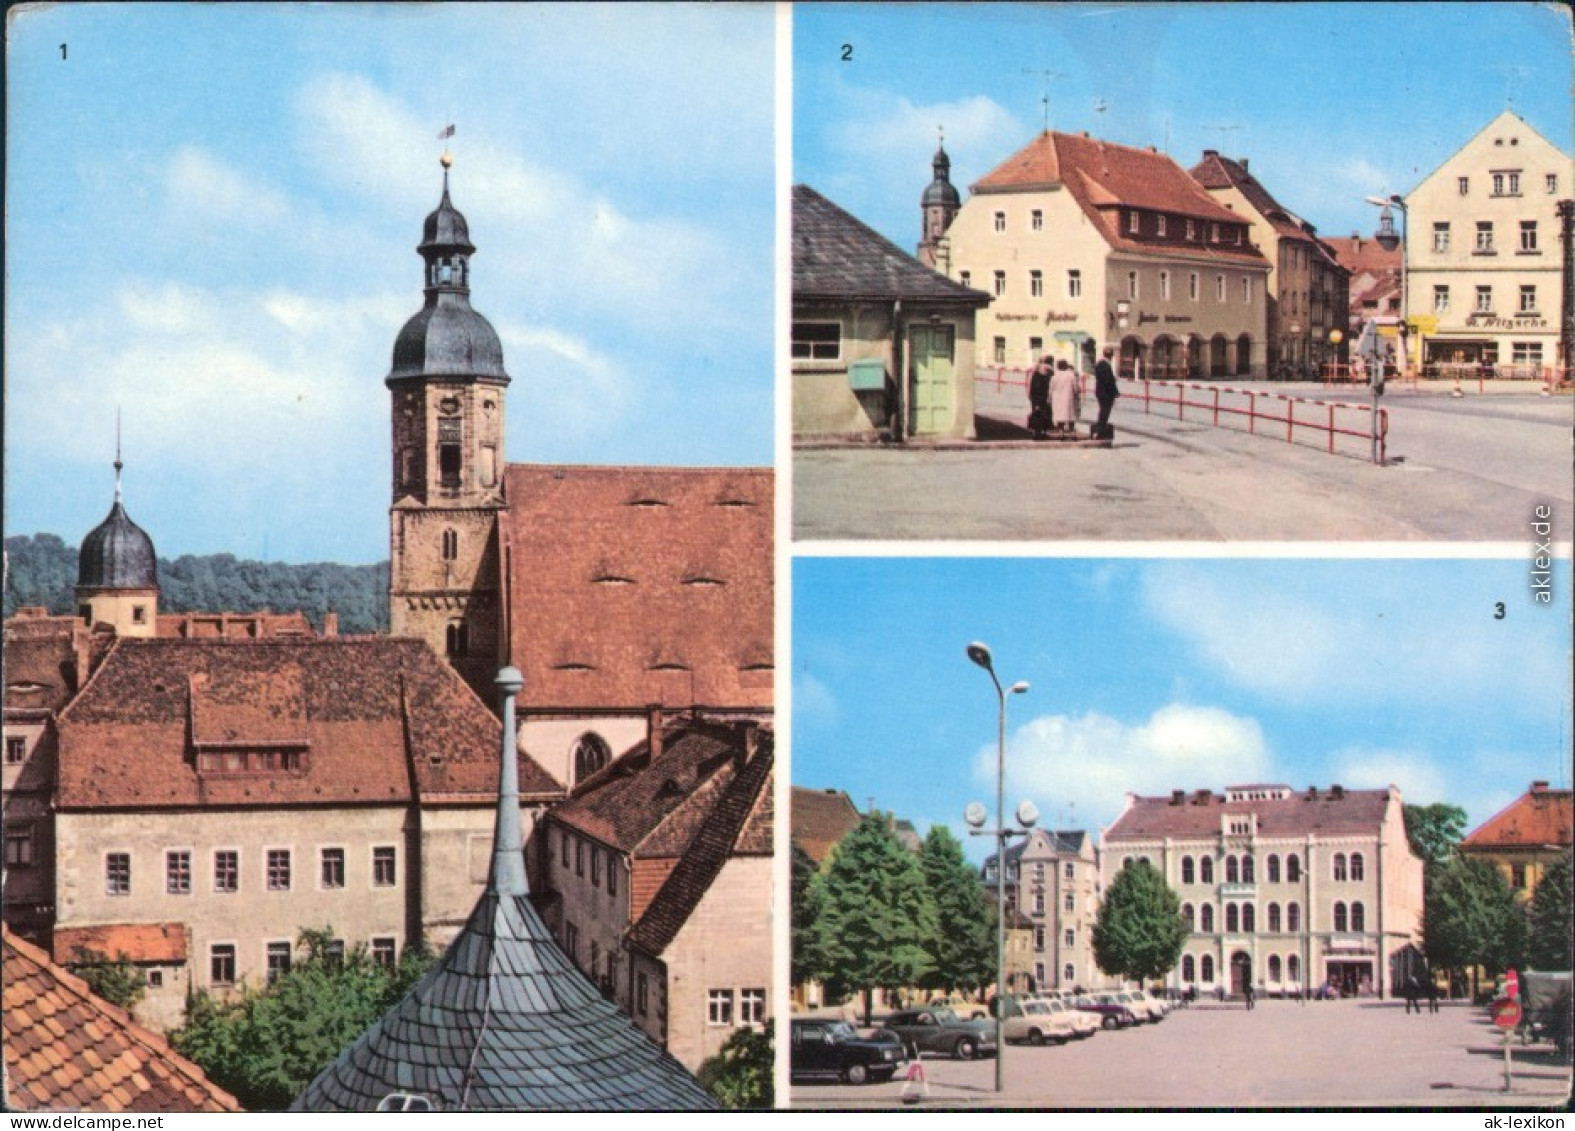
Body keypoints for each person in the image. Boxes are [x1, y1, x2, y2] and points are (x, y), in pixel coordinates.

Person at [1094, 346, 1120, 439]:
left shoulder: (1099, 364)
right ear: (1111, 356)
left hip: (1100, 392)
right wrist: (1115, 392)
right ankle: (1100, 432)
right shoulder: (1105, 365)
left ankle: (1099, 431)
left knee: (1102, 412)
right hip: (1106, 394)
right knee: (1104, 412)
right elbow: (1108, 381)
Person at [1027, 355, 1053, 440]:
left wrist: (1031, 396)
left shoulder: (1036, 374)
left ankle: (1037, 432)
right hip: (1043, 397)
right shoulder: (1048, 374)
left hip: (1037, 397)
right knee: (1044, 414)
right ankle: (1041, 432)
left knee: (1038, 414)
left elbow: (1031, 387)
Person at [1050, 360, 1079, 435]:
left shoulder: (1054, 377)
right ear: (1066, 366)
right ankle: (1072, 432)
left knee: (1060, 416)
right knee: (1070, 415)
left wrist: (1049, 398)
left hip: (1057, 399)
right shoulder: (1071, 376)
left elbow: (1051, 389)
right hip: (1069, 398)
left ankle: (1061, 431)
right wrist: (1076, 394)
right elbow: (1075, 388)